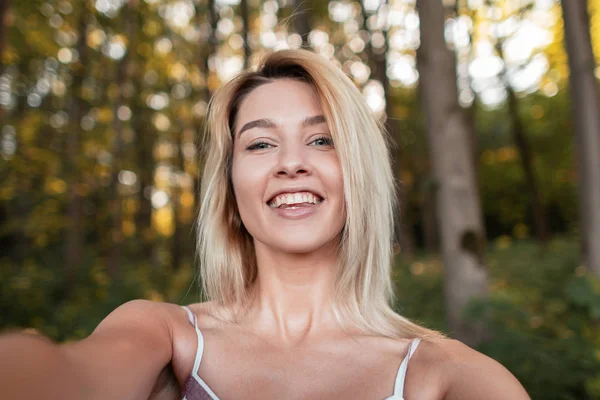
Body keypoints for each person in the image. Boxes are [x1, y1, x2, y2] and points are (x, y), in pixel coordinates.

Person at [0, 49, 530, 400]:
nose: (290, 162)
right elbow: (64, 379)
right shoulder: (164, 335)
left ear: (359, 177)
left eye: (321, 140)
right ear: (230, 192)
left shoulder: (447, 375)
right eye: (259, 143)